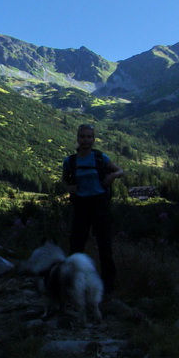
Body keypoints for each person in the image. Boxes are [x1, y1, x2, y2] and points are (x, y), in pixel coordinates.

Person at [61, 124, 124, 296]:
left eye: (89, 137)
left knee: (105, 247)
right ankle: (73, 283)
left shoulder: (99, 158)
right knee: (76, 245)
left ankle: (108, 287)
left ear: (93, 139)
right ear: (77, 138)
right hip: (81, 205)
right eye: (82, 136)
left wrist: (112, 176)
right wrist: (68, 188)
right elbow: (64, 180)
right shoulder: (71, 161)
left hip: (99, 204)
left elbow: (120, 170)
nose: (85, 140)